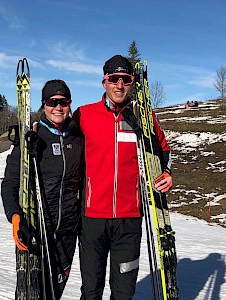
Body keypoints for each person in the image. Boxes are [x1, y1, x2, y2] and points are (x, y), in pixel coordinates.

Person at [73, 55, 173, 299]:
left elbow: (163, 149)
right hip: (92, 218)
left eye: (125, 80)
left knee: (124, 290)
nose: (119, 85)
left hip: (129, 219)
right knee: (91, 289)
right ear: (104, 82)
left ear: (132, 83)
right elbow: (61, 143)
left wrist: (167, 173)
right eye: (114, 79)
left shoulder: (143, 117)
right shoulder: (84, 115)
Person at [1, 79, 84, 299]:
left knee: (55, 292)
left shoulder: (78, 138)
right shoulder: (32, 137)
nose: (58, 107)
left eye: (63, 102)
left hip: (67, 233)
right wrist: (15, 217)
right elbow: (10, 183)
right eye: (52, 102)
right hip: (36, 231)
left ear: (70, 104)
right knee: (31, 293)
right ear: (43, 105)